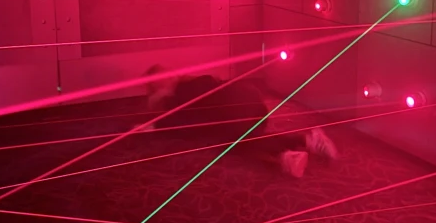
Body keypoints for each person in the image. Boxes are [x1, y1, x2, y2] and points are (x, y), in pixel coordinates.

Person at [142, 65, 338, 178]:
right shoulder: (192, 83)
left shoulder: (184, 91)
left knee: (234, 143)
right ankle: (303, 143)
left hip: (240, 110)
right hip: (255, 108)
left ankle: (287, 154)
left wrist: (155, 125)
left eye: (154, 84)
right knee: (241, 138)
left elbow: (184, 124)